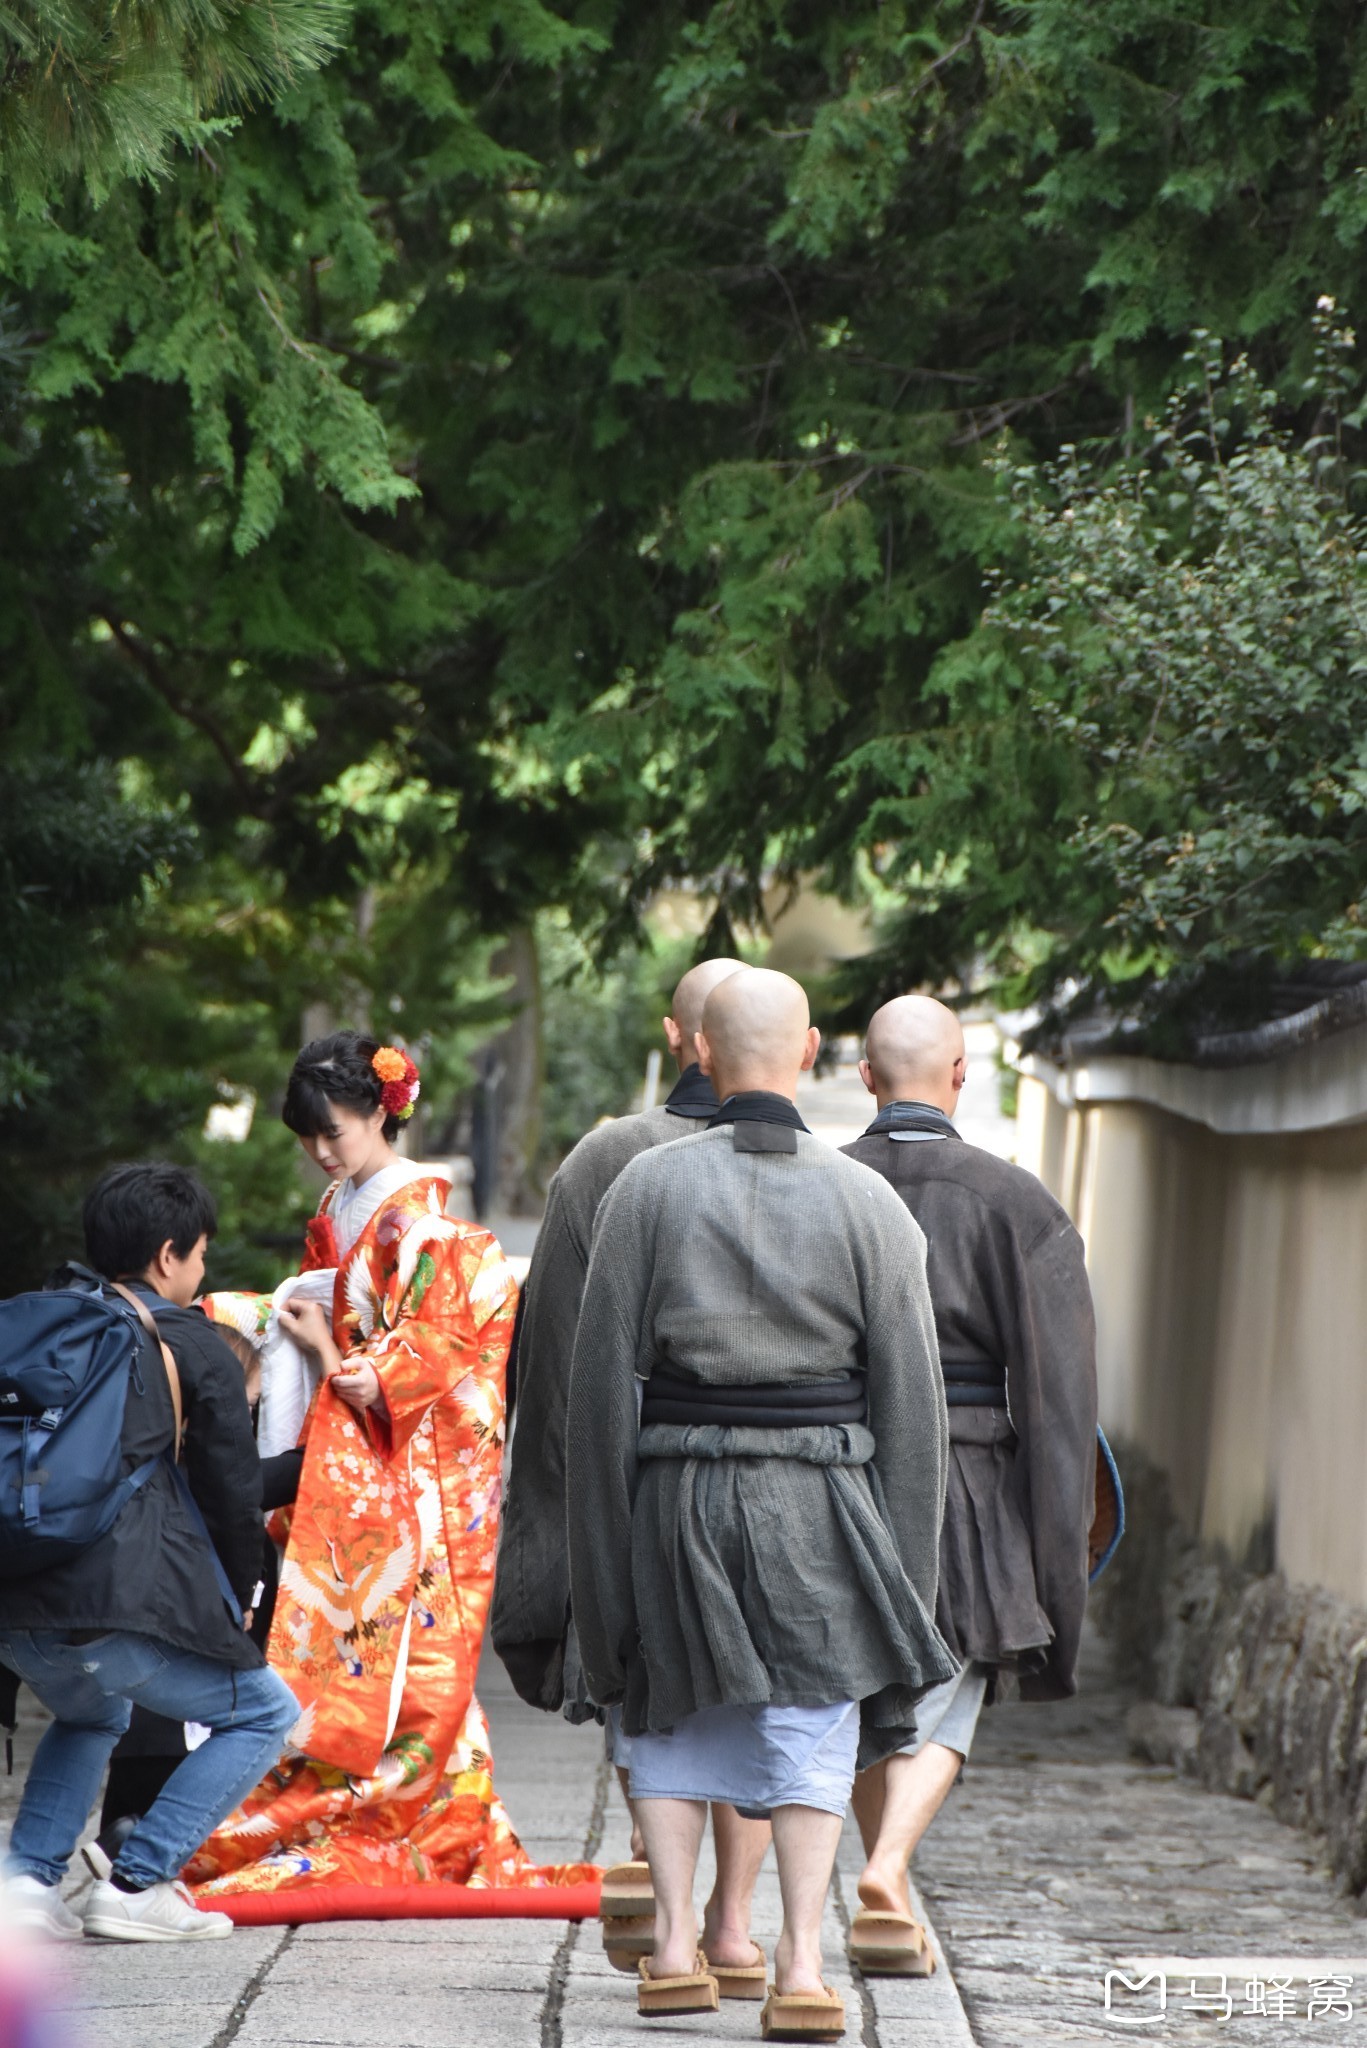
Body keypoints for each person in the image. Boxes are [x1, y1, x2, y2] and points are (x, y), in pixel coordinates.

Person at [566, 969, 955, 2036]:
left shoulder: (642, 1188)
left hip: (674, 1486)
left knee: (661, 1701)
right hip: (820, 1498)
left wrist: (597, 1569)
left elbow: (598, 1390)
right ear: (811, 1050)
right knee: (814, 1718)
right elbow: (911, 1411)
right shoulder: (865, 1203)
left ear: (699, 1049)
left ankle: (681, 1951)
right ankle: (797, 1963)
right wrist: (904, 1580)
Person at [186, 1031, 591, 1905]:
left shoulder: (427, 1225)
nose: (323, 1152)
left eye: (334, 1131)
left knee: (411, 1657)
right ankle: (374, 1805)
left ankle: (411, 1815)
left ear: (379, 1110)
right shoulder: (345, 1205)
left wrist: (325, 1342)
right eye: (311, 1139)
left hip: (416, 1473)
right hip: (358, 1453)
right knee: (366, 1652)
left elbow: (416, 1361)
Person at [492, 957, 771, 1991]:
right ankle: (737, 1927)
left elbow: (557, 1360)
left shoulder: (610, 1155)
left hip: (639, 1481)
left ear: (677, 1035)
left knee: (643, 1698)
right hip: (774, 1484)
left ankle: (672, 1924)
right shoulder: (815, 1168)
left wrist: (553, 1528)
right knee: (756, 1695)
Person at [841, 995, 1098, 1974]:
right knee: (957, 1677)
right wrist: (1055, 1525)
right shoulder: (1014, 1201)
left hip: (843, 1460)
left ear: (866, 1076)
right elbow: (1058, 1393)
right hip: (971, 1465)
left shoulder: (825, 1182)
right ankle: (890, 1868)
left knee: (869, 1677)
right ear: (957, 1075)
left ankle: (883, 1885)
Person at [0, 1165, 299, 1943]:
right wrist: (240, 1600)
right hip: (114, 1599)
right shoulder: (190, 1340)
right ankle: (140, 1880)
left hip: (14, 1600)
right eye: (199, 1254)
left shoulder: (40, 1323)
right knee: (266, 1713)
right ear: (169, 1255)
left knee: (91, 1712)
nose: (200, 1270)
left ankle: (26, 1884)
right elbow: (231, 1492)